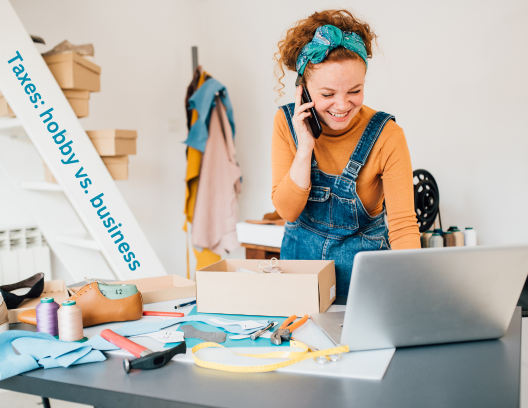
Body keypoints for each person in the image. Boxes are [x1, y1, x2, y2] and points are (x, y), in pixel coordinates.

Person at [272, 9, 421, 297]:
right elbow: (287, 211)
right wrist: (305, 148)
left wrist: (413, 290)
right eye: (327, 94)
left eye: (355, 90)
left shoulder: (387, 136)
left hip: (366, 290)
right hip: (300, 288)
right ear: (302, 90)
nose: (342, 105)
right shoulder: (286, 124)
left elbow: (403, 226)